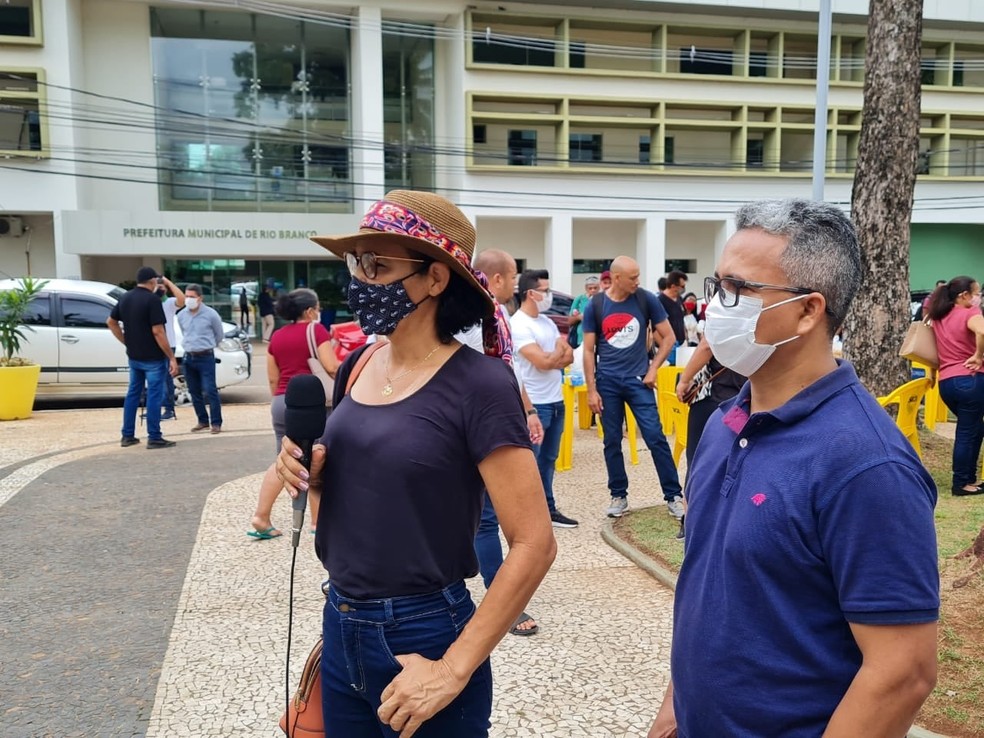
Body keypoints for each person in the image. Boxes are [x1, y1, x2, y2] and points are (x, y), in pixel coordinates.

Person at [648, 199, 939, 738]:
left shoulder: (867, 464)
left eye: (738, 291)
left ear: (808, 311)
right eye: (716, 287)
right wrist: (675, 705)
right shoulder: (723, 425)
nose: (716, 308)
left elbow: (903, 671)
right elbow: (710, 584)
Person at [275, 190, 556, 736]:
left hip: (426, 631)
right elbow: (363, 488)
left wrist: (453, 669)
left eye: (377, 264)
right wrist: (311, 475)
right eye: (356, 262)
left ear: (435, 278)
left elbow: (535, 542)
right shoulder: (359, 362)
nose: (360, 279)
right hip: (341, 620)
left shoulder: (480, 383)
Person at [459, 248, 544, 637]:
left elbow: (507, 369)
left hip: (493, 420)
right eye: (512, 277)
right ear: (495, 279)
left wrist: (527, 411)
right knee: (489, 519)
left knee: (481, 517)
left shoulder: (495, 316)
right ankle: (502, 604)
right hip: (480, 427)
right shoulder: (476, 317)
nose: (516, 285)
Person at [582, 256, 683, 520]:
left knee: (655, 437)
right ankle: (619, 495)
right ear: (616, 278)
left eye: (638, 276)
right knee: (611, 441)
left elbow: (669, 338)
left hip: (639, 380)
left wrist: (653, 369)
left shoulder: (645, 299)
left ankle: (673, 495)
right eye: (633, 277)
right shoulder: (596, 305)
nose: (638, 281)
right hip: (608, 382)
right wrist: (592, 390)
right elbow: (589, 350)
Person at [248, 288, 340, 539]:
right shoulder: (316, 330)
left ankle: (261, 516)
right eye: (317, 308)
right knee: (317, 457)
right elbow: (331, 367)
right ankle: (316, 522)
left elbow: (272, 377)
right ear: (310, 311)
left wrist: (280, 401)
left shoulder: (277, 336)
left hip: (282, 401)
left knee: (285, 459)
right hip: (313, 405)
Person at [511, 269, 579, 528]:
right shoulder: (518, 324)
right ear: (531, 293)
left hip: (556, 400)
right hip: (535, 404)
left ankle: (548, 509)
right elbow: (540, 361)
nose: (549, 295)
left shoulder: (547, 322)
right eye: (545, 290)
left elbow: (568, 356)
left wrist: (554, 358)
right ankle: (529, 516)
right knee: (532, 462)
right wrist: (555, 357)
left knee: (549, 460)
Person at [106, 266, 178, 449]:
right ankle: (154, 436)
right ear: (153, 281)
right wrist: (170, 356)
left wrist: (126, 341)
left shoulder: (126, 298)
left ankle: (127, 435)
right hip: (153, 357)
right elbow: (158, 331)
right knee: (154, 396)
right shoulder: (152, 301)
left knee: (133, 394)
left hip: (134, 356)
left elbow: (111, 322)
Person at [927, 276, 984, 496]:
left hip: (947, 383)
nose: (978, 298)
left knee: (973, 430)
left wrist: (932, 372)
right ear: (964, 296)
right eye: (976, 293)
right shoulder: (970, 313)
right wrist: (978, 355)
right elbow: (981, 331)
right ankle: (961, 483)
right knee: (967, 432)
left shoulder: (939, 317)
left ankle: (969, 479)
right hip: (970, 379)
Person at [177, 284, 225, 434]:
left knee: (210, 390)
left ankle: (216, 422)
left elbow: (219, 335)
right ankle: (202, 420)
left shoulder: (211, 314)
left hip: (205, 356)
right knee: (194, 391)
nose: (188, 299)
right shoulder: (181, 315)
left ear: (200, 298)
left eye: (192, 297)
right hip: (188, 357)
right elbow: (184, 332)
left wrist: (207, 346)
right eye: (187, 296)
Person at [155, 276, 185, 420]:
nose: (160, 289)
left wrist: (168, 282)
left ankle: (169, 409)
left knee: (167, 379)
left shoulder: (169, 303)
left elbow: (181, 300)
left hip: (168, 344)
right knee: (155, 379)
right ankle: (155, 408)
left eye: (162, 287)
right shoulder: (150, 302)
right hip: (152, 344)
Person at [657, 270, 688, 364]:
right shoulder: (660, 301)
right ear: (673, 286)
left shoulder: (679, 299)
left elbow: (681, 318)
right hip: (669, 345)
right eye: (682, 286)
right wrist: (664, 344)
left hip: (681, 342)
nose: (684, 289)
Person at [568, 275, 601, 347]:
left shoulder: (602, 299)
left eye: (595, 288)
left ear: (599, 288)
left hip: (598, 337)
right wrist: (579, 317)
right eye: (590, 288)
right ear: (586, 288)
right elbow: (569, 321)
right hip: (582, 336)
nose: (593, 290)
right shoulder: (580, 299)